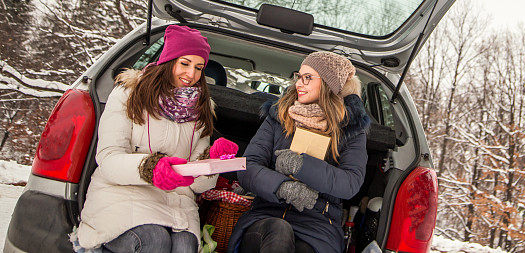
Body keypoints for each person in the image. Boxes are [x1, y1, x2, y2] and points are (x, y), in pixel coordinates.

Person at [72, 25, 238, 253]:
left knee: (184, 248)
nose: (192, 75)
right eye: (185, 64)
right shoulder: (129, 93)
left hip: (176, 203)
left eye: (199, 68)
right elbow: (109, 159)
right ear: (169, 60)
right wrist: (151, 169)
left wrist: (212, 163)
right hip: (123, 192)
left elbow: (200, 186)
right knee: (153, 241)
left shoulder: (201, 110)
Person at [229, 51, 370, 253]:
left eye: (308, 78)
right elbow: (247, 166)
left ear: (328, 85)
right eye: (299, 76)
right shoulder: (279, 116)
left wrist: (302, 166)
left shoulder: (350, 130)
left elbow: (350, 182)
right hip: (267, 214)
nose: (298, 84)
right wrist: (281, 187)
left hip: (319, 225)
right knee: (278, 231)